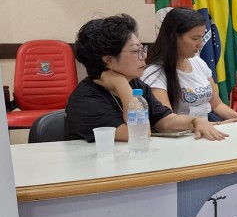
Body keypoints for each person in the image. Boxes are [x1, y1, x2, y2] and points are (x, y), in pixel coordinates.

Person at [64, 14, 228, 142]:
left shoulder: (136, 83)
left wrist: (195, 121)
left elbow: (166, 120)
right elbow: (139, 134)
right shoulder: (86, 100)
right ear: (108, 60)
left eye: (143, 49)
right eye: (136, 51)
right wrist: (121, 85)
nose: (143, 57)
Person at [142, 8, 237, 123]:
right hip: (183, 134)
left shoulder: (199, 63)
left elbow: (217, 105)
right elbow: (167, 121)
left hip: (207, 128)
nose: (201, 44)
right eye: (195, 38)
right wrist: (218, 125)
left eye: (201, 38)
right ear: (174, 37)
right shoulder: (154, 73)